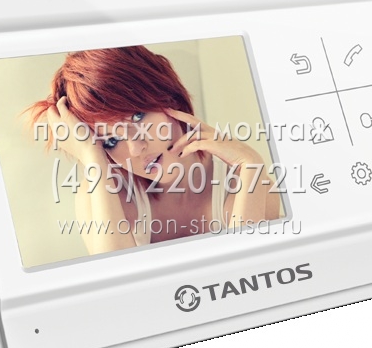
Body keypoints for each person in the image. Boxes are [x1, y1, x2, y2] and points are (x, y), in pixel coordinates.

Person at [29, 45, 280, 255]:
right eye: (110, 142)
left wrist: (251, 165)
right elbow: (120, 289)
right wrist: (92, 158)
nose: (136, 148)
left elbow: (249, 278)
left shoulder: (245, 180)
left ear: (168, 96)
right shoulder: (102, 192)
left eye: (138, 117)